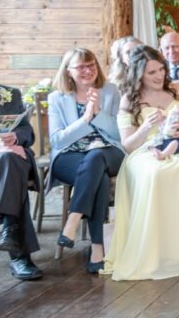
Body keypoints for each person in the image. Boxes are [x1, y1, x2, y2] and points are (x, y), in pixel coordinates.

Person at [105, 47, 179, 281]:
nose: (159, 75)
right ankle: (155, 250)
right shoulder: (129, 99)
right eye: (151, 72)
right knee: (154, 172)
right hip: (146, 150)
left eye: (161, 69)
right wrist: (145, 127)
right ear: (138, 75)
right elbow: (128, 145)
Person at [48, 49, 124, 273]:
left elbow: (118, 134)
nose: (88, 70)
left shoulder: (110, 91)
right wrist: (85, 119)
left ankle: (73, 219)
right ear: (68, 72)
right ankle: (98, 247)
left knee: (95, 157)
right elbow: (58, 140)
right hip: (69, 155)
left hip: (109, 151)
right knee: (96, 174)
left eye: (91, 65)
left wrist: (99, 112)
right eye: (81, 67)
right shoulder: (57, 98)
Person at [0, 59, 40, 280]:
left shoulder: (9, 94)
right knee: (10, 171)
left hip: (10, 160)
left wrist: (16, 139)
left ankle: (11, 233)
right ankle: (20, 255)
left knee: (10, 163)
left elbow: (28, 132)